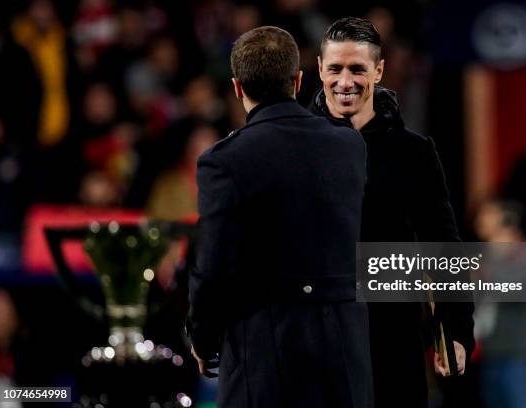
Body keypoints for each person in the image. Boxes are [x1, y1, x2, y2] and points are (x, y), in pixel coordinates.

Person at [186, 26, 373, 408]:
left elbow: (212, 264)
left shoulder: (224, 160)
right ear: (299, 80)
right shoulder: (350, 145)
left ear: (238, 87)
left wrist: (203, 339)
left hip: (267, 356)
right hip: (345, 353)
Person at [309, 17, 475, 407]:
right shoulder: (297, 149)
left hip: (390, 338)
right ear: (319, 69)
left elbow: (443, 244)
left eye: (357, 69)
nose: (344, 81)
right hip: (315, 339)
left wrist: (455, 329)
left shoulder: (413, 152)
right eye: (334, 69)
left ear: (379, 71)